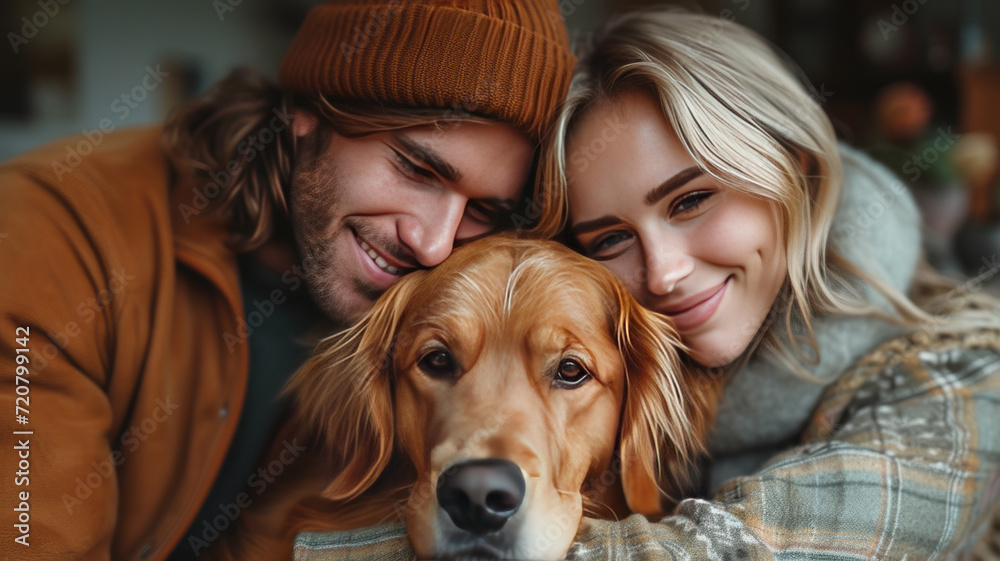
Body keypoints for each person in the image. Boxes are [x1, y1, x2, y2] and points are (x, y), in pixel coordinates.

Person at [294, 7, 1000, 560]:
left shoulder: (956, 376)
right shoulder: (623, 340)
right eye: (608, 238)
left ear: (793, 172)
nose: (662, 271)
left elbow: (744, 551)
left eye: (692, 199)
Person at [0, 1, 574, 559]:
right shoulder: (48, 233)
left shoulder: (467, 308)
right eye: (416, 169)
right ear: (309, 111)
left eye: (485, 210)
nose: (434, 243)